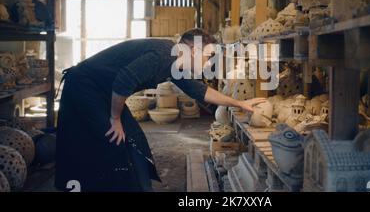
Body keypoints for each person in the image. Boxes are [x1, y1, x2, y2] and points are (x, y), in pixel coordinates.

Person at [55, 28, 266, 192]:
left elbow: (202, 92)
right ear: (194, 50)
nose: (208, 62)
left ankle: (141, 187)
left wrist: (240, 104)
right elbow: (123, 81)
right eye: (208, 56)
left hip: (105, 91)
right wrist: (115, 117)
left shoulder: (176, 64)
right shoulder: (163, 56)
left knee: (134, 137)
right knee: (113, 139)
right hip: (84, 86)